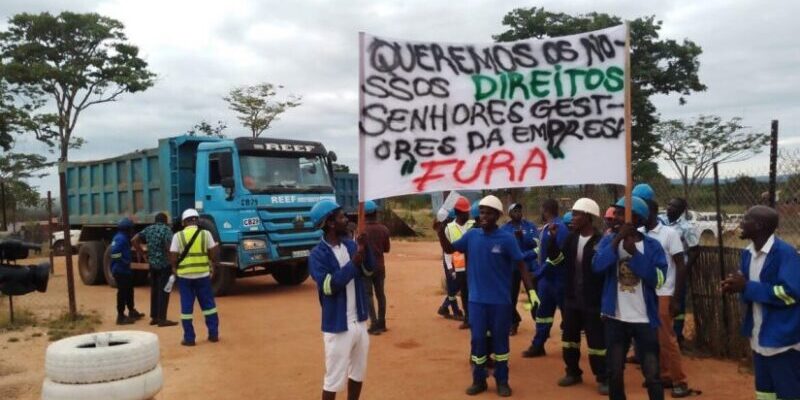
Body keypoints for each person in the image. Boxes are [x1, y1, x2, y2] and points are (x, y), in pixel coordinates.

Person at [434, 195, 539, 397]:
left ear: (498, 215)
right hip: (476, 302)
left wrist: (532, 291)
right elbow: (449, 248)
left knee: (501, 343)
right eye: (481, 212)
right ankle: (479, 380)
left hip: (500, 302)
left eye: (489, 212)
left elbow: (520, 264)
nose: (483, 216)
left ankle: (502, 381)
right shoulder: (472, 236)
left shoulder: (507, 239)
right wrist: (440, 232)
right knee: (478, 341)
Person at [721, 206, 800, 400]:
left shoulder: (785, 254)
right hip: (759, 338)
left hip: (783, 342)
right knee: (765, 394)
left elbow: (790, 293)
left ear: (759, 226)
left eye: (745, 219)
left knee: (788, 393)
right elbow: (747, 286)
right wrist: (735, 286)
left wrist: (747, 287)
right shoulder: (747, 254)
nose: (740, 223)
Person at [593, 196, 667, 400]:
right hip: (615, 318)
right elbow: (597, 266)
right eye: (614, 213)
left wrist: (635, 254)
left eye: (620, 213)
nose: (614, 217)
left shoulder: (652, 247)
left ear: (636, 218)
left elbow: (657, 280)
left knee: (652, 375)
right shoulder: (609, 241)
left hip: (644, 320)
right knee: (614, 373)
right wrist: (616, 241)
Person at [308, 199, 373, 400]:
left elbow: (369, 270)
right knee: (333, 380)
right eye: (341, 216)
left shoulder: (350, 246)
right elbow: (330, 286)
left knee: (358, 373)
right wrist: (355, 261)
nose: (347, 219)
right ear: (330, 223)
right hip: (337, 327)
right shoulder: (317, 255)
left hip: (360, 322)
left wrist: (365, 248)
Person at [558, 198, 608, 395]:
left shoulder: (600, 240)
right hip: (571, 299)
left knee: (597, 343)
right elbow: (558, 261)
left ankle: (603, 377)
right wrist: (554, 244)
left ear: (588, 217)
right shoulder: (570, 238)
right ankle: (572, 372)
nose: (573, 217)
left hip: (592, 301)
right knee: (569, 339)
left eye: (577, 214)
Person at [642, 200, 692, 397]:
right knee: (653, 338)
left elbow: (680, 265)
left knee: (667, 338)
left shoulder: (668, 234)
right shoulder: (639, 232)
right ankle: (664, 376)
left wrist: (676, 297)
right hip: (647, 292)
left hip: (664, 291)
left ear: (652, 212)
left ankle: (680, 381)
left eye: (641, 211)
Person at [522, 199, 568, 358]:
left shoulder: (560, 228)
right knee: (543, 315)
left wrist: (538, 273)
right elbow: (540, 251)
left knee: (567, 316)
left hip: (558, 279)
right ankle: (538, 345)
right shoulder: (545, 229)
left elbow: (558, 256)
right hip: (546, 281)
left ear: (545, 210)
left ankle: (570, 350)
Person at [169, 209, 220, 346]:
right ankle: (213, 334)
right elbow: (213, 257)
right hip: (203, 276)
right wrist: (215, 248)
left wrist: (175, 269)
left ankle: (189, 338)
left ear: (184, 222)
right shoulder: (206, 234)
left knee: (186, 308)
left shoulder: (178, 236)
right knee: (209, 306)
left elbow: (173, 257)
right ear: (197, 220)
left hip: (185, 277)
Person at [660, 197, 700, 347]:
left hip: (677, 270)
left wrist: (684, 269)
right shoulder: (660, 221)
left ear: (682, 210)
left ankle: (676, 336)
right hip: (661, 269)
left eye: (674, 206)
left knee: (678, 303)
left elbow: (695, 251)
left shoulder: (687, 227)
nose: (669, 208)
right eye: (669, 204)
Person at [132, 212, 178, 327]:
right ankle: (162, 319)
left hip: (152, 265)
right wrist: (173, 264)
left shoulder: (148, 229)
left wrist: (142, 253)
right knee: (164, 291)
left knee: (154, 290)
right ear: (165, 221)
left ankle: (154, 317)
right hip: (164, 265)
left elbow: (134, 240)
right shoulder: (167, 230)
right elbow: (170, 248)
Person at [500, 203, 538, 336]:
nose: (518, 213)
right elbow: (501, 246)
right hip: (512, 268)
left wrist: (523, 237)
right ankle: (513, 323)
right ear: (509, 214)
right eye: (514, 210)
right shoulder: (504, 229)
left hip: (529, 267)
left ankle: (539, 323)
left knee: (534, 295)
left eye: (519, 210)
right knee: (510, 297)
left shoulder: (530, 226)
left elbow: (536, 243)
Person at [445, 197, 475, 330]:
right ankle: (468, 319)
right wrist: (450, 268)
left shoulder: (473, 225)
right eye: (465, 212)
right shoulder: (449, 228)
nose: (468, 214)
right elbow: (446, 251)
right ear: (458, 212)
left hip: (474, 266)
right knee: (464, 293)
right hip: (459, 267)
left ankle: (476, 318)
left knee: (474, 293)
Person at [362, 200, 391, 335]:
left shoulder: (361, 230)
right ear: (376, 213)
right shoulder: (384, 229)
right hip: (380, 266)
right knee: (381, 294)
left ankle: (373, 324)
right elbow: (387, 249)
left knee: (369, 295)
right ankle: (382, 322)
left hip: (365, 268)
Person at [110, 218, 144, 325]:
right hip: (120, 270)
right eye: (131, 229)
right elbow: (114, 253)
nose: (132, 231)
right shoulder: (121, 239)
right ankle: (120, 316)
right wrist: (124, 261)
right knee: (122, 292)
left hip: (125, 270)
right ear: (127, 229)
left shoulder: (123, 237)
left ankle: (131, 311)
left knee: (129, 290)